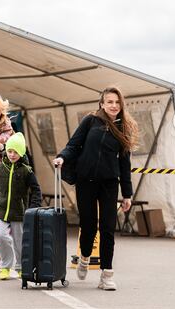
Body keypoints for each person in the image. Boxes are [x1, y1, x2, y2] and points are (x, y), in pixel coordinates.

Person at [53, 86, 138, 291]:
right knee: (89, 225)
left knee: (108, 228)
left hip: (109, 183)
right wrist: (62, 157)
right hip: (86, 181)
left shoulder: (123, 128)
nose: (113, 105)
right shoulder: (90, 121)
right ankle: (84, 257)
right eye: (109, 102)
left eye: (117, 102)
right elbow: (74, 145)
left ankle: (106, 274)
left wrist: (127, 194)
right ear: (102, 104)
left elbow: (125, 164)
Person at [0, 133, 42, 280]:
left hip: (19, 211)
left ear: (21, 153)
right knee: (1, 236)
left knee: (19, 240)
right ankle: (5, 266)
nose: (12, 155)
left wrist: (33, 207)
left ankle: (21, 266)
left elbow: (36, 190)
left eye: (16, 152)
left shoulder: (27, 171)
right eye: (9, 151)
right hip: (0, 209)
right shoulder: (0, 168)